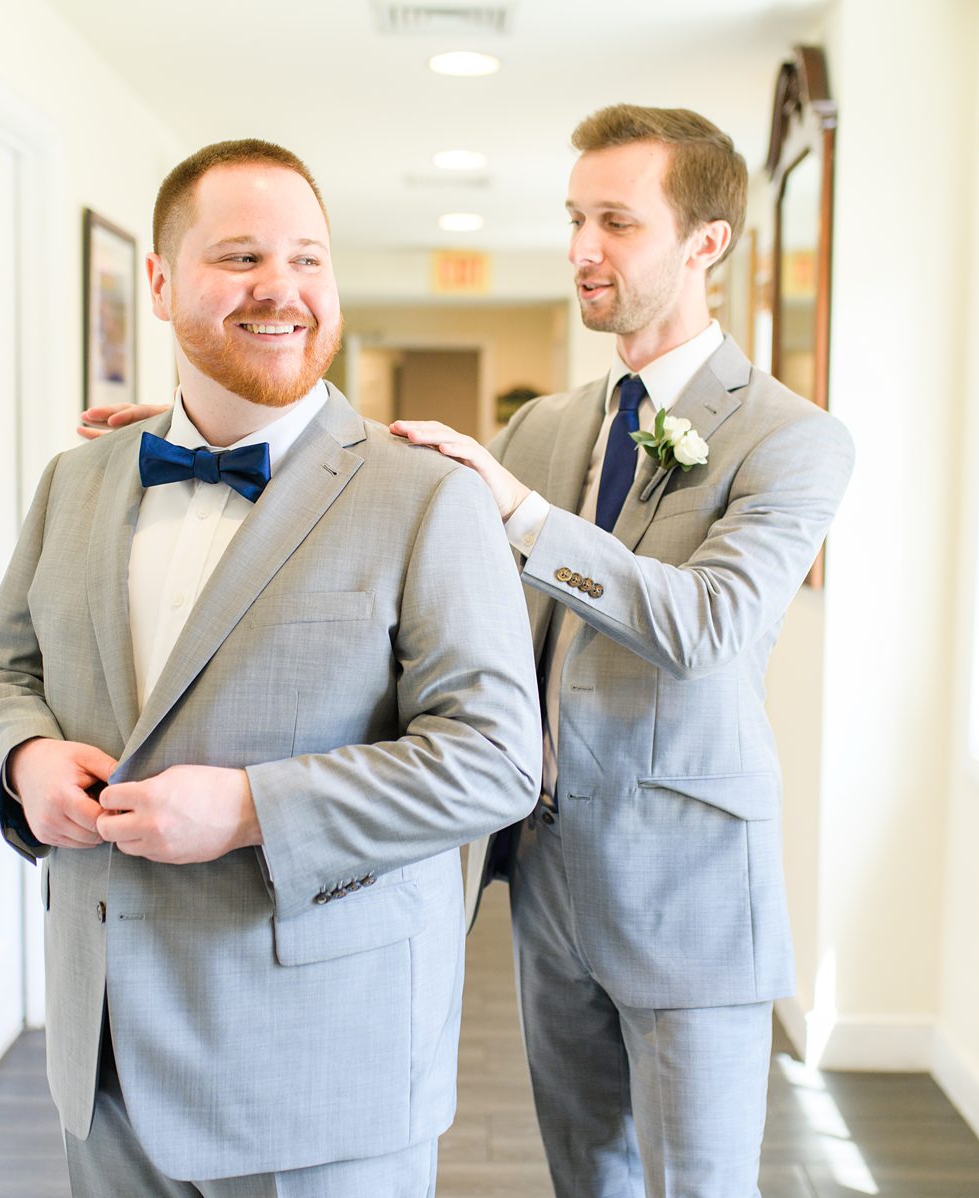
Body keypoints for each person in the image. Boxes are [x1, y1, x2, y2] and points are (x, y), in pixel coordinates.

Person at [82, 106, 854, 1198]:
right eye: (577, 218)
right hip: (539, 882)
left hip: (688, 897)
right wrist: (209, 420)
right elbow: (381, 490)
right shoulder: (544, 424)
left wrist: (529, 517)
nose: (583, 247)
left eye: (617, 223)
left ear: (705, 244)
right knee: (585, 1176)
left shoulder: (796, 436)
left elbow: (709, 624)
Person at [0, 138, 540, 1198]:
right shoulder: (73, 483)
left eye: (309, 258)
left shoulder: (426, 497)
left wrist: (250, 807)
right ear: (161, 281)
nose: (282, 288)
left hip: (320, 1072)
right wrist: (25, 757)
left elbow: (498, 761)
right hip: (104, 1060)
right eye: (239, 257)